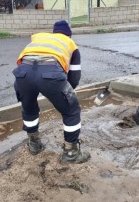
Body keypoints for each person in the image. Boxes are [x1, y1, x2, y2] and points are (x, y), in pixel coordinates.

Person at [12, 20, 90, 164]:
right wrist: (65, 93)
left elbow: (27, 64)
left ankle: (34, 144)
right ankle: (71, 153)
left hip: (23, 74)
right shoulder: (70, 44)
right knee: (71, 110)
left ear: (54, 33)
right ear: (69, 35)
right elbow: (74, 78)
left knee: (29, 109)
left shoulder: (40, 39)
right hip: (51, 74)